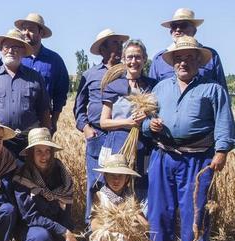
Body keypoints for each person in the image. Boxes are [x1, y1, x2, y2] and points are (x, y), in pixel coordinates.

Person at [143, 36, 235, 241]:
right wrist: (149, 126)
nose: (183, 63)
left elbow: (224, 122)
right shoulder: (160, 88)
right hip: (163, 155)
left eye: (189, 58)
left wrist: (222, 151)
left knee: (195, 208)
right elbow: (145, 119)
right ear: (172, 62)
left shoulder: (212, 89)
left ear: (198, 61)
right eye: (178, 59)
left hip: (198, 158)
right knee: (159, 207)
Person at [74, 29, 128, 223]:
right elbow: (78, 108)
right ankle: (93, 225)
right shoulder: (89, 75)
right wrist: (86, 129)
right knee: (95, 182)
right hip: (98, 135)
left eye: (120, 43)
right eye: (115, 43)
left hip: (122, 136)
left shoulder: (127, 73)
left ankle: (119, 223)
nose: (120, 47)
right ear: (102, 48)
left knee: (120, 182)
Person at [13, 128, 82, 241]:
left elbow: (66, 215)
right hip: (34, 229)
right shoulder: (22, 177)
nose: (44, 156)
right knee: (39, 239)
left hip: (58, 231)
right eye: (38, 151)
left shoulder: (63, 176)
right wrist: (63, 232)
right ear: (31, 154)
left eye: (47, 151)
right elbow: (30, 217)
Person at [0, 29, 50, 157]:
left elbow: (44, 111)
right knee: (0, 176)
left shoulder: (35, 78)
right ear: (1, 50)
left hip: (28, 140)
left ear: (23, 51)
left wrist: (45, 139)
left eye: (15, 47)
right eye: (6, 47)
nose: (10, 51)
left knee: (27, 176)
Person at [99, 39, 157, 202]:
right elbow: (104, 122)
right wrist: (128, 122)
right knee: (117, 185)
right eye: (129, 57)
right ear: (123, 60)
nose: (134, 61)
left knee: (140, 186)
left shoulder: (152, 87)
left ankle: (138, 223)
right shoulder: (114, 86)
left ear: (145, 59)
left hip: (143, 146)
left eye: (138, 57)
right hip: (119, 145)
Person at [86, 154, 147, 241]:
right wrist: (112, 226)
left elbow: (145, 225)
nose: (116, 179)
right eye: (112, 175)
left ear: (127, 179)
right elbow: (94, 224)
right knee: (105, 235)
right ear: (105, 176)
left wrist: (134, 225)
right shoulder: (99, 196)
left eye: (120, 175)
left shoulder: (131, 198)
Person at [149, 8, 227, 92]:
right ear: (171, 31)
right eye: (174, 26)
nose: (178, 29)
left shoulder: (211, 55)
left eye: (183, 25)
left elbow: (221, 90)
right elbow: (151, 92)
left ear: (194, 30)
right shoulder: (159, 59)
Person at [14, 13, 69, 132]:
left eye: (31, 29)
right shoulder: (13, 56)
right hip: (16, 124)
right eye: (24, 29)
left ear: (41, 33)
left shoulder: (55, 60)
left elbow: (60, 94)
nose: (26, 33)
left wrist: (53, 121)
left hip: (42, 122)